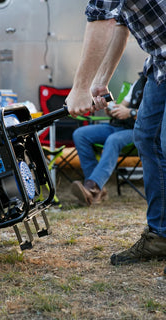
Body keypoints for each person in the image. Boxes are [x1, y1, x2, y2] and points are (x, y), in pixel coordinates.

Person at [66, 1, 166, 266]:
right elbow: (120, 25)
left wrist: (80, 87)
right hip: (160, 64)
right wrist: (99, 82)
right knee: (148, 140)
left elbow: (101, 21)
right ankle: (159, 237)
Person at [71, 73, 146, 207]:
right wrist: (112, 110)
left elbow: (158, 115)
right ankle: (96, 189)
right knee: (80, 134)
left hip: (139, 131)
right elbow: (123, 106)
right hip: (118, 125)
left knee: (113, 140)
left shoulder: (160, 85)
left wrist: (131, 113)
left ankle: (92, 187)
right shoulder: (139, 82)